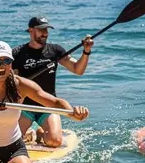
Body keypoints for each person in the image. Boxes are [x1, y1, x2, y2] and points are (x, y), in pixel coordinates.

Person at [11, 15, 93, 148]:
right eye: (41, 30)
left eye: (46, 30)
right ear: (31, 30)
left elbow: (78, 69)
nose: (45, 33)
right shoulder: (17, 53)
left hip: (48, 105)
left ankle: (41, 133)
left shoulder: (55, 50)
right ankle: (28, 134)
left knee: (54, 141)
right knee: (11, 142)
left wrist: (86, 51)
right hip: (24, 107)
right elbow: (9, 82)